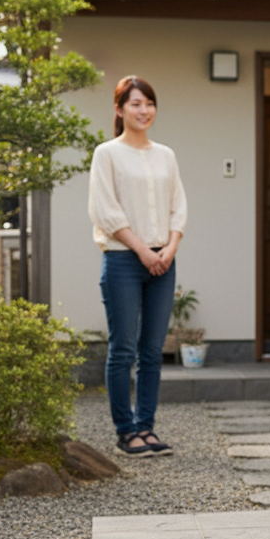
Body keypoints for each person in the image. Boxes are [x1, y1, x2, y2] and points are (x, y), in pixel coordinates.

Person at [88, 76, 187, 457]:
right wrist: (144, 250)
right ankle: (125, 431)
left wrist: (170, 247)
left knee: (152, 350)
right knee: (123, 348)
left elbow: (178, 206)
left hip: (164, 260)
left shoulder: (166, 155)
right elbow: (105, 209)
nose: (144, 110)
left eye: (149, 103)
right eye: (135, 103)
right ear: (119, 109)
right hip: (123, 259)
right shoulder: (107, 153)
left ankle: (145, 427)